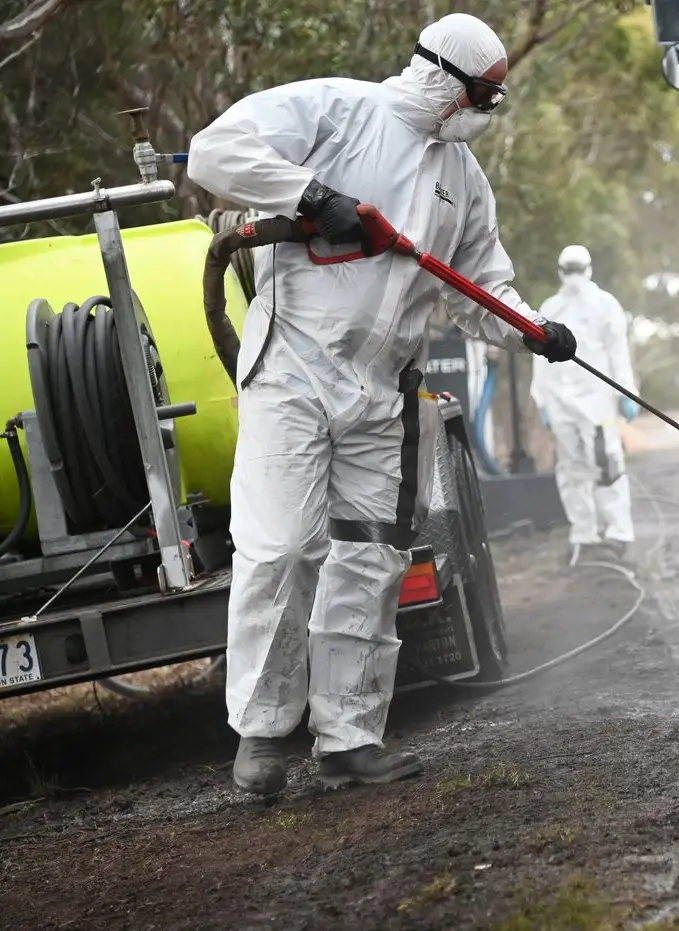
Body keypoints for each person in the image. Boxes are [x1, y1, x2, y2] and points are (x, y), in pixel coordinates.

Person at [186, 13, 577, 796]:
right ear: (442, 76)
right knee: (283, 547)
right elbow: (212, 151)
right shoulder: (336, 109)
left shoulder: (462, 180)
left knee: (370, 557)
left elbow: (479, 289)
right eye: (484, 96)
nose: (488, 113)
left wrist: (532, 328)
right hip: (292, 369)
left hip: (384, 387)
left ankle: (349, 737)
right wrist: (311, 195)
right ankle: (262, 734)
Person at [531, 245, 639, 566]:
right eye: (570, 269)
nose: (575, 276)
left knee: (607, 468)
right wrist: (542, 401)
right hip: (561, 402)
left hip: (598, 399)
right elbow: (539, 360)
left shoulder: (606, 305)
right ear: (560, 271)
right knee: (572, 470)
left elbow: (618, 351)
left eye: (580, 268)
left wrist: (625, 393)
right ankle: (584, 535)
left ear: (590, 268)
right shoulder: (550, 307)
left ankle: (618, 534)